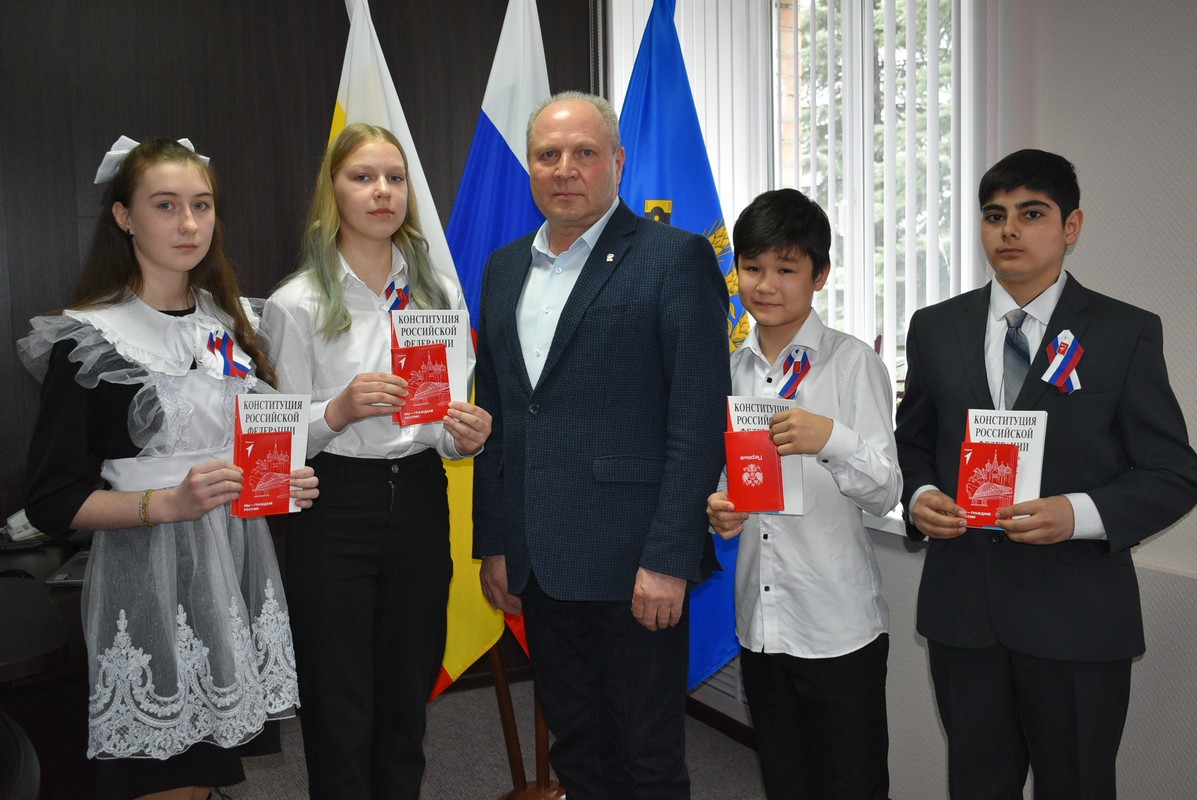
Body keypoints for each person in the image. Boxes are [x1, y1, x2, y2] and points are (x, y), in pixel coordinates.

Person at [19, 136, 319, 800]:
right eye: (165, 205)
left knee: (206, 775)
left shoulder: (228, 325)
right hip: (146, 584)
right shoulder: (91, 340)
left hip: (233, 574)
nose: (188, 224)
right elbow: (51, 501)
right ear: (124, 217)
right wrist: (167, 504)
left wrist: (277, 482)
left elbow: (249, 445)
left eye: (201, 205)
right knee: (165, 779)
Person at [895, 148, 1197, 799]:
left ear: (1071, 226)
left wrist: (1077, 514)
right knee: (977, 785)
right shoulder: (935, 328)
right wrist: (918, 496)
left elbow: (1173, 472)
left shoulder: (1124, 332)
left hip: (1077, 617)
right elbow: (911, 442)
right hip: (964, 613)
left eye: (1031, 213)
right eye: (993, 215)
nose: (1008, 229)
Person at [471, 91, 731, 800]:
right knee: (578, 749)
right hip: (539, 561)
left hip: (634, 562)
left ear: (617, 161)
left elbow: (697, 422)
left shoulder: (673, 259)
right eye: (547, 155)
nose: (565, 169)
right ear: (530, 166)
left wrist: (669, 559)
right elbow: (498, 416)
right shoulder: (503, 269)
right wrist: (496, 543)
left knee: (646, 757)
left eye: (584, 153)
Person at [261, 122, 492, 800]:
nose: (382, 191)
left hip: (419, 497)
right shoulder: (296, 303)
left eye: (394, 178)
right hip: (333, 505)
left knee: (406, 692)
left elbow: (443, 426)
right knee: (338, 699)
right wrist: (337, 410)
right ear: (333, 191)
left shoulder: (437, 293)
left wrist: (465, 434)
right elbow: (273, 450)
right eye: (362, 177)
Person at [706, 189, 900, 799]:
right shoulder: (728, 368)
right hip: (761, 623)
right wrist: (718, 509)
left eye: (786, 269)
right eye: (752, 267)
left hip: (836, 625)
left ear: (820, 274)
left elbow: (885, 491)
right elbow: (726, 476)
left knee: (851, 785)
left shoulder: (851, 364)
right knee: (785, 780)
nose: (766, 285)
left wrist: (830, 438)